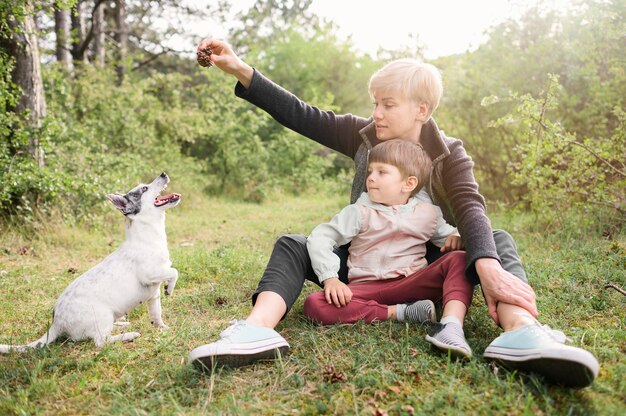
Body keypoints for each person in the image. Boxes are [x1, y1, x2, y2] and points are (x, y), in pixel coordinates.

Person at [187, 38, 599, 388]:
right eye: (374, 104)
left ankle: (522, 332)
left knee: (498, 241)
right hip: (362, 266)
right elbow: (302, 114)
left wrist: (487, 266)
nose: (377, 114)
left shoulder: (450, 152)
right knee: (293, 246)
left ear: (421, 110)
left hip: (424, 266)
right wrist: (239, 68)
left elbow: (471, 206)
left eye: (388, 104)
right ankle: (256, 331)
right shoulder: (363, 135)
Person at [303, 139, 474, 359]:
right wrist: (330, 278)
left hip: (412, 283)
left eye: (382, 172)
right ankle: (402, 313)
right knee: (314, 304)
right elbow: (320, 237)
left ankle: (450, 325)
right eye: (371, 171)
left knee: (458, 259)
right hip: (367, 288)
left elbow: (450, 237)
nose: (371, 177)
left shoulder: (429, 213)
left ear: (408, 183)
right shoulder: (359, 212)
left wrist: (459, 234)